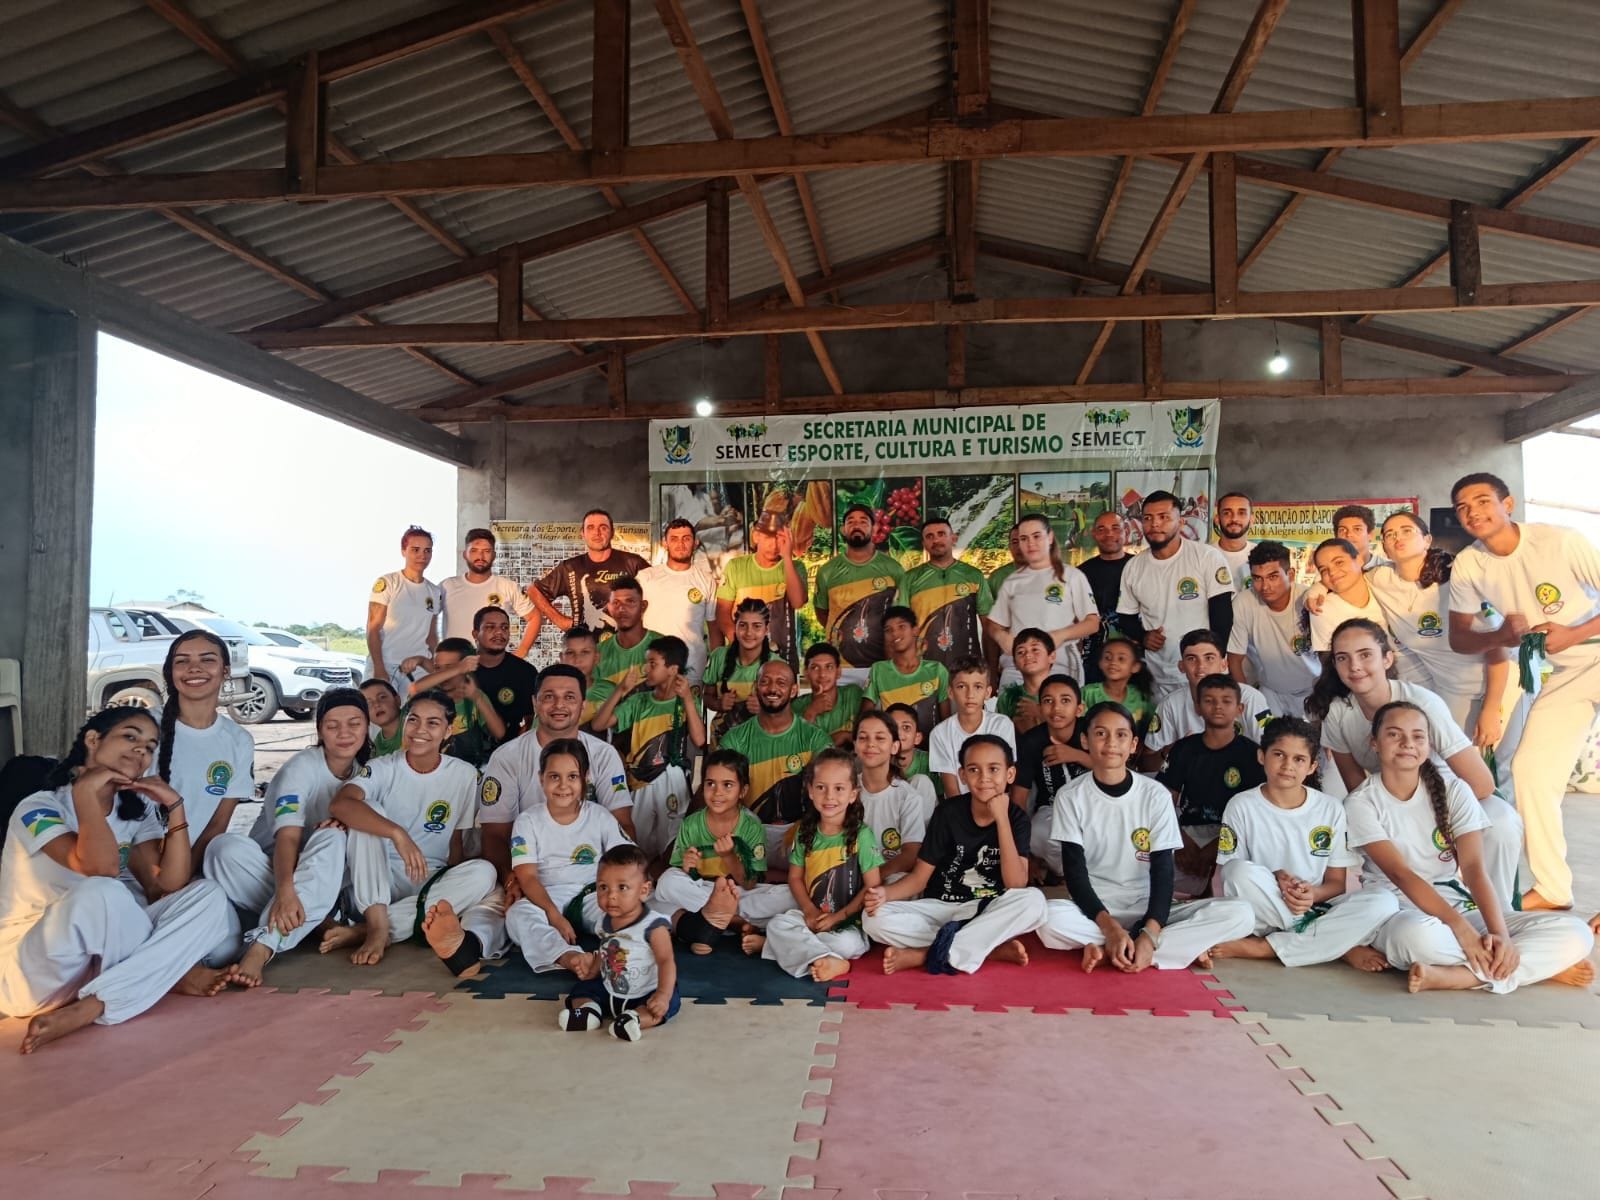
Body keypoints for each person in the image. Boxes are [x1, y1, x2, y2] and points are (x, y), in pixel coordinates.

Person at [0, 708, 236, 1054]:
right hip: (30, 972)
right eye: (130, 736)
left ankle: (98, 1004)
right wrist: (84, 793)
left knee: (209, 895)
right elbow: (100, 867)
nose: (142, 750)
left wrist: (176, 808)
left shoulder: (132, 812)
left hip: (96, 964)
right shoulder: (38, 807)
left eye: (150, 746)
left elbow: (169, 883)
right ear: (93, 740)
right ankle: (167, 975)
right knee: (103, 890)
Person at [1345, 702, 1593, 993]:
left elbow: (1474, 868)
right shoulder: (1361, 802)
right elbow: (1401, 874)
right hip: (1399, 911)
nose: (1407, 744)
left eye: (1417, 736)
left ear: (1429, 744)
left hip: (1457, 905)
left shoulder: (1454, 790)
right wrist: (1463, 932)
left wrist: (1499, 933)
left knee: (1577, 934)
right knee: (1416, 938)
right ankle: (1528, 968)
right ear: (1374, 743)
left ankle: (1464, 976)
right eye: (1394, 735)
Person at [1448, 472, 1600, 913]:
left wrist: (1574, 632)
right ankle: (1553, 889)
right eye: (1463, 507)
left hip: (1591, 646)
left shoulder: (1560, 541)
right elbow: (1461, 639)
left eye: (1482, 501)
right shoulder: (1470, 564)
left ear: (1507, 503)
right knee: (1531, 770)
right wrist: (1503, 636)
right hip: (1564, 672)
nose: (1474, 512)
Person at [1309, 619, 1521, 904]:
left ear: (1386, 658)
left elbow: (1482, 785)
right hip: (1390, 803)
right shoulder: (1338, 712)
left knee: (1501, 818)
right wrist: (1393, 816)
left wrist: (1444, 816)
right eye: (1342, 658)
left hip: (1441, 798)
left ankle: (1500, 915)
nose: (1355, 666)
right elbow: (1355, 785)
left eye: (1365, 654)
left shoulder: (1423, 703)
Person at [1038, 703, 1254, 971]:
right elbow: (1074, 874)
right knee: (1047, 919)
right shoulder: (1071, 796)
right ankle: (1153, 948)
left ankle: (1115, 950)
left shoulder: (1155, 795)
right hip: (1096, 907)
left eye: (1121, 735)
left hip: (1146, 902)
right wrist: (1110, 928)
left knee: (1241, 913)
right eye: (1101, 734)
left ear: (1133, 745)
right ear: (1085, 740)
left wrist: (1151, 930)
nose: (1111, 743)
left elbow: (1163, 871)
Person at [204, 689, 369, 986]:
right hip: (271, 872)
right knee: (222, 848)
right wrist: (285, 892)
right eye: (332, 726)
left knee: (332, 838)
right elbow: (287, 839)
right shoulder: (302, 767)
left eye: (354, 723)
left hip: (322, 883)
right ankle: (313, 922)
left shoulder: (367, 776)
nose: (344, 733)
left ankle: (262, 946)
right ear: (319, 730)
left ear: (367, 726)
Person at [323, 689, 496, 969]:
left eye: (432, 723)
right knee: (369, 811)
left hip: (428, 880)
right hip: (377, 881)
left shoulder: (464, 774)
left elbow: (455, 841)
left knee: (484, 873)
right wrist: (397, 834)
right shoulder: (382, 767)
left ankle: (366, 931)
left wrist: (460, 885)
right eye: (413, 720)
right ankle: (378, 925)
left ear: (448, 731)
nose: (420, 730)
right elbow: (340, 804)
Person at [1209, 718, 1399, 969]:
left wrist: (1312, 895)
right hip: (1268, 904)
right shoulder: (1241, 805)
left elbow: (1336, 884)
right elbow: (1233, 876)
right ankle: (1341, 946)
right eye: (1279, 754)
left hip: (1318, 904)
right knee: (1237, 871)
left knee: (1384, 900)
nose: (1288, 765)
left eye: (1299, 759)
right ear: (1261, 756)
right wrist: (1275, 877)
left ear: (1312, 767)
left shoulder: (1330, 808)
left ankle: (1269, 947)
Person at [862, 735, 1048, 974]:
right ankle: (986, 948)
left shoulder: (1017, 818)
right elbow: (920, 878)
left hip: (986, 908)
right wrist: (883, 894)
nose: (984, 779)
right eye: (974, 770)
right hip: (940, 906)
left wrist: (1001, 817)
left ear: (1010, 774)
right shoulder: (948, 812)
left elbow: (1016, 883)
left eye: (993, 769)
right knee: (873, 919)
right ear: (962, 775)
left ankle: (927, 954)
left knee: (1035, 903)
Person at [478, 664, 634, 887]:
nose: (559, 705)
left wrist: (614, 884)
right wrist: (514, 882)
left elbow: (622, 824)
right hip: (526, 872)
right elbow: (495, 835)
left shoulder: (603, 754)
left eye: (569, 697)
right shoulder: (506, 757)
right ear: (535, 702)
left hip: (592, 875)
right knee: (490, 921)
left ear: (583, 705)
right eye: (549, 697)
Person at [1368, 511, 1505, 740]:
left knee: (1505, 766)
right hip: (1452, 690)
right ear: (1384, 547)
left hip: (1498, 684)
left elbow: (1496, 646)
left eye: (1406, 531)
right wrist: (1319, 590)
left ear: (1427, 540)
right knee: (1454, 763)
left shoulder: (1455, 579)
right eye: (1389, 534)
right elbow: (1347, 578)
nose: (1397, 537)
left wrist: (1492, 707)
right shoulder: (1381, 579)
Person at [503, 739, 632, 979]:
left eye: (572, 777)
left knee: (628, 912)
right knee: (518, 916)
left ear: (585, 778)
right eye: (554, 777)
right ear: (541, 778)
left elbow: (626, 859)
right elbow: (527, 876)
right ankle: (571, 958)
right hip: (547, 894)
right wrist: (553, 915)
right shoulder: (527, 820)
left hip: (593, 893)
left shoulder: (599, 816)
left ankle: (613, 956)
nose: (563, 785)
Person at [761, 748, 886, 980]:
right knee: (778, 924)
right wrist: (809, 911)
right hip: (811, 917)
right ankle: (829, 960)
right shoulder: (804, 833)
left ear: (852, 794)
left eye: (839, 789)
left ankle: (779, 949)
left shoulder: (862, 835)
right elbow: (795, 878)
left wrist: (837, 918)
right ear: (810, 791)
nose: (829, 796)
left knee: (846, 944)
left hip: (847, 922)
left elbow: (872, 887)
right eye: (821, 787)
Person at [654, 749, 789, 955]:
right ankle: (735, 922)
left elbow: (750, 882)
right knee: (667, 881)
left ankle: (718, 920)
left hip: (740, 893)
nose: (717, 792)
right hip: (704, 891)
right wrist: (687, 867)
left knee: (789, 896)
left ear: (742, 791)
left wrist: (729, 857)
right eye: (710, 784)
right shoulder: (691, 824)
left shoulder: (752, 826)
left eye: (727, 785)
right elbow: (681, 874)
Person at [590, 636, 705, 859]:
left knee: (672, 839)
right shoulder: (639, 701)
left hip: (672, 779)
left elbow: (700, 740)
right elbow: (599, 723)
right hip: (639, 780)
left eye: (653, 664)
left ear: (672, 669)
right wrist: (621, 690)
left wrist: (689, 700)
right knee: (635, 838)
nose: (646, 669)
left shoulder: (686, 702)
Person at [151, 631, 256, 873]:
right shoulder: (142, 727)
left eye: (207, 659)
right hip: (137, 870)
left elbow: (218, 824)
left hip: (192, 869)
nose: (194, 668)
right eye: (182, 661)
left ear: (225, 671)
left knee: (232, 848)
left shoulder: (239, 741)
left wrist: (184, 875)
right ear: (170, 672)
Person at [1115, 491, 1234, 700]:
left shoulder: (1206, 557)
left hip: (1204, 673)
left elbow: (1222, 615)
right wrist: (1143, 637)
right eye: (1148, 518)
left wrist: (1216, 659)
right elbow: (1125, 617)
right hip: (1159, 676)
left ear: (1180, 522)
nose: (1155, 524)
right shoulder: (1134, 567)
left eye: (1164, 517)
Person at [1155, 675, 1267, 896]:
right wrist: (1178, 839)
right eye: (1209, 700)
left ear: (1240, 709)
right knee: (1151, 868)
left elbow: (1256, 814)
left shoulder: (1253, 754)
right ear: (1197, 707)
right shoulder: (1184, 749)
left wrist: (1219, 846)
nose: (1218, 707)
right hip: (1188, 833)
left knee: (1237, 874)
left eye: (1226, 701)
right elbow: (1163, 801)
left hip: (1234, 835)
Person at [559, 844, 678, 1040]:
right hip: (610, 989)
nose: (611, 895)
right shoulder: (603, 921)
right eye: (603, 887)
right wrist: (594, 968)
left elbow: (666, 960)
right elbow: (605, 950)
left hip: (645, 993)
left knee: (666, 1005)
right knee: (580, 990)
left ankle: (634, 1020)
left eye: (622, 887)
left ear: (644, 890)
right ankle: (590, 1012)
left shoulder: (654, 925)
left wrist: (663, 995)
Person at [720, 660, 834, 864]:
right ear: (756, 688)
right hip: (748, 832)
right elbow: (720, 793)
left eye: (781, 683)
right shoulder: (735, 739)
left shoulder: (814, 738)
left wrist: (806, 828)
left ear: (793, 690)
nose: (772, 688)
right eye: (765, 682)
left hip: (800, 833)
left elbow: (829, 796)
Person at [984, 513, 1099, 687]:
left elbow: (1092, 623)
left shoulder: (1072, 576)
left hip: (1059, 664)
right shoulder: (1012, 581)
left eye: (1036, 536)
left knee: (1057, 713)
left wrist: (1061, 635)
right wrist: (1001, 636)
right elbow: (993, 624)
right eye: (1023, 539)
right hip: (1017, 668)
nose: (1030, 544)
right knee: (1015, 713)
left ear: (1050, 537)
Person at [1142, 630, 1272, 770]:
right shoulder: (1170, 704)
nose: (1200, 667)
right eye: (1191, 659)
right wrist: (1171, 750)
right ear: (1181, 666)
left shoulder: (1250, 698)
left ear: (1224, 664)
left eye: (1209, 658)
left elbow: (1273, 751)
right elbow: (1146, 765)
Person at [1010, 674, 1091, 880]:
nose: (1056, 708)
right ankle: (1070, 875)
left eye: (1065, 700)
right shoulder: (1031, 741)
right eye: (1048, 701)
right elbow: (1019, 798)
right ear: (1040, 707)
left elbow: (1114, 771)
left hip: (1095, 806)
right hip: (1052, 808)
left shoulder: (1091, 732)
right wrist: (1022, 855)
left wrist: (1077, 756)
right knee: (1037, 832)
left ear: (1079, 708)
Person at [814, 503, 906, 682]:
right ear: (843, 529)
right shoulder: (828, 571)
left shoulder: (893, 569)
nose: (856, 525)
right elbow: (823, 613)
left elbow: (902, 617)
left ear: (875, 528)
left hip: (882, 666)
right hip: (840, 667)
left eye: (863, 522)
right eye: (851, 521)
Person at [1228, 541, 1319, 717]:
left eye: (1273, 576)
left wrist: (1325, 693)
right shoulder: (1243, 603)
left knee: (1310, 743)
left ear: (1290, 575)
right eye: (1257, 578)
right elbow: (1234, 660)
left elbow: (1327, 655)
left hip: (1312, 692)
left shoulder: (1307, 600)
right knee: (1264, 740)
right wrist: (1247, 701)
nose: (1265, 586)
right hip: (1269, 693)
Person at [525, 509, 649, 637]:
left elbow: (657, 593)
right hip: (585, 647)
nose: (597, 533)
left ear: (612, 532)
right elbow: (533, 591)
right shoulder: (570, 567)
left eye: (603, 527)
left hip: (626, 647)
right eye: (590, 528)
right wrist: (560, 621)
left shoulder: (633, 563)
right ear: (582, 534)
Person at [898, 515, 993, 672]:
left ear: (953, 538)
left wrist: (991, 668)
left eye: (941, 534)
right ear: (924, 544)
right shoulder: (910, 578)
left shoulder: (973, 575)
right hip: (923, 667)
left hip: (967, 667)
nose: (936, 540)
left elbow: (988, 626)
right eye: (930, 536)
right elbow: (900, 625)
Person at [716, 511, 807, 667]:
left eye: (779, 538)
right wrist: (743, 647)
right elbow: (723, 615)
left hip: (784, 659)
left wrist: (787, 558)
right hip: (744, 661)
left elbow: (798, 602)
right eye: (767, 538)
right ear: (756, 536)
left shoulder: (795, 567)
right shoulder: (736, 567)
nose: (773, 545)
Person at [639, 517, 721, 684]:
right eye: (674, 539)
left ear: (695, 543)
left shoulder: (706, 580)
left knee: (689, 710)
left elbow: (714, 628)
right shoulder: (646, 578)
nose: (680, 544)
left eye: (686, 538)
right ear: (664, 543)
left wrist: (716, 669)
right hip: (653, 665)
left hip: (692, 666)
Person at [405, 637, 506, 768]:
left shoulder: (475, 695)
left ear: (467, 669)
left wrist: (477, 698)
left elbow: (500, 733)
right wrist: (457, 668)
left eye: (450, 667)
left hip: (467, 769)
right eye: (437, 668)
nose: (444, 674)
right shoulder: (428, 695)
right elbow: (414, 688)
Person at [853, 711, 929, 880]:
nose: (871, 744)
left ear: (894, 747)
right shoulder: (846, 790)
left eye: (880, 738)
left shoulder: (907, 797)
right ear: (855, 745)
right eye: (863, 738)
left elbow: (910, 854)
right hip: (851, 874)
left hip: (889, 875)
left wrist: (875, 877)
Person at [367, 525, 442, 694]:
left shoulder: (434, 591)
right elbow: (373, 629)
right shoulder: (388, 583)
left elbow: (431, 637)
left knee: (419, 715)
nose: (422, 556)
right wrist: (379, 668)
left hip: (418, 666)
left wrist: (436, 667)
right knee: (378, 716)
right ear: (403, 551)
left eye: (427, 550)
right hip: (386, 664)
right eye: (415, 549)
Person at [930, 658, 1018, 800]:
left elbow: (1004, 778)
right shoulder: (940, 733)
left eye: (977, 687)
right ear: (950, 693)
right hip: (959, 809)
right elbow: (951, 789)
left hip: (996, 803)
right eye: (961, 687)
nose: (970, 694)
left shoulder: (1002, 725)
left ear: (988, 692)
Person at [439, 527, 535, 653]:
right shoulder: (447, 585)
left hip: (493, 663)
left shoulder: (507, 586)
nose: (480, 556)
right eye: (474, 551)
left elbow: (534, 617)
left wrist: (522, 650)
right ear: (464, 554)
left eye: (486, 551)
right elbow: (427, 618)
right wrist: (435, 651)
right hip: (454, 665)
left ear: (494, 555)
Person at [865, 605, 950, 744]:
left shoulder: (937, 670)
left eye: (901, 627)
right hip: (892, 748)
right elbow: (866, 716)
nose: (895, 634)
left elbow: (946, 722)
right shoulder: (878, 670)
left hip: (931, 748)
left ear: (915, 630)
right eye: (888, 630)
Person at [704, 597, 778, 744]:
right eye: (743, 625)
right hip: (722, 741)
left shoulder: (776, 664)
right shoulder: (719, 657)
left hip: (762, 743)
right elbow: (707, 696)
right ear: (735, 626)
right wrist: (719, 704)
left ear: (766, 629)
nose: (749, 633)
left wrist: (765, 708)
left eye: (757, 626)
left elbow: (788, 709)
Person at [1077, 510, 1131, 685]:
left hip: (1135, 655)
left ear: (1126, 531)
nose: (1109, 534)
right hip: (1094, 658)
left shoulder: (1140, 567)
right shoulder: (1081, 573)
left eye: (1115, 528)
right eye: (1101, 529)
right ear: (1094, 534)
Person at [469, 607, 540, 738]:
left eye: (504, 628)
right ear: (475, 634)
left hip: (511, 748)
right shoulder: (463, 669)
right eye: (490, 627)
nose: (499, 633)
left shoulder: (525, 672)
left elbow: (531, 719)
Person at [1308, 538, 1388, 653]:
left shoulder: (1383, 585)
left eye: (1339, 562)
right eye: (1324, 570)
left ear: (1359, 560)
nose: (1332, 572)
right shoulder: (1322, 609)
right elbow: (1328, 662)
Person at [794, 642, 866, 747]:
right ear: (806, 673)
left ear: (838, 672)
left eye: (829, 667)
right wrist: (811, 712)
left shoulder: (853, 694)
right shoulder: (796, 706)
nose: (822, 674)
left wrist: (845, 736)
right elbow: (799, 749)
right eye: (815, 668)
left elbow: (869, 734)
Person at [595, 576, 660, 692]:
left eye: (630, 602)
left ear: (643, 606)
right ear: (609, 608)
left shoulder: (663, 646)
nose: (621, 609)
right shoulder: (598, 653)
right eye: (616, 603)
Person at [1080, 638, 1153, 736]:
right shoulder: (1087, 693)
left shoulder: (1140, 696)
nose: (1113, 662)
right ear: (1100, 663)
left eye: (1121, 659)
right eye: (1108, 658)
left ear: (1135, 666)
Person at [995, 627, 1054, 735]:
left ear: (1052, 656)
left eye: (1035, 649)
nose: (1028, 655)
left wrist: (1040, 714)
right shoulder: (1008, 698)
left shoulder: (1064, 693)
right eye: (1021, 652)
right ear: (1014, 663)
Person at [885, 702, 939, 813]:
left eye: (906, 727)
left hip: (924, 823)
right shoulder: (876, 760)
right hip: (889, 819)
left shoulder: (929, 761)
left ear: (917, 738)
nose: (899, 733)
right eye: (893, 727)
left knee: (921, 781)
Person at [559, 625, 611, 727]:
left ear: (596, 658)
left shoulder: (610, 691)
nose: (577, 659)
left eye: (585, 652)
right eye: (570, 653)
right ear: (561, 658)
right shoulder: (552, 693)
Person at [1215, 492, 1256, 592]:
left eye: (1241, 513)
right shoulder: (1203, 556)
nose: (1234, 519)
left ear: (1251, 520)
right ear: (1217, 519)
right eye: (1227, 513)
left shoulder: (1264, 556)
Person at [1334, 504, 1387, 572]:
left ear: (1370, 534)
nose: (1349, 534)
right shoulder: (1329, 571)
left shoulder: (1389, 569)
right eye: (1343, 530)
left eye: (1357, 529)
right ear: (1336, 536)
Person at [361, 678, 404, 758]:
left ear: (397, 700)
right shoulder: (377, 750)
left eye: (382, 697)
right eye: (368, 703)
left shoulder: (413, 715)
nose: (376, 704)